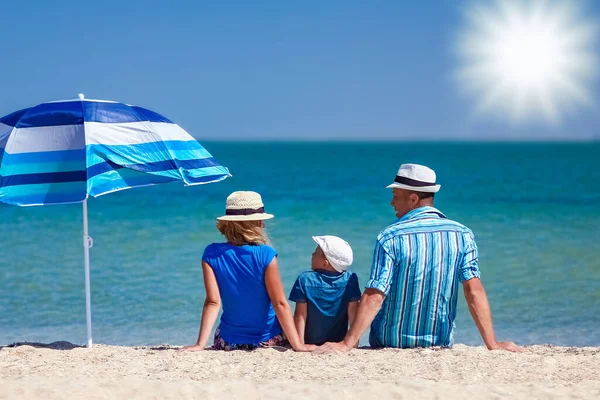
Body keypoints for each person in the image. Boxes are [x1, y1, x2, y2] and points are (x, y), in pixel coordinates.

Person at [315, 164, 521, 353]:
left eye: (395, 196)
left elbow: (375, 295)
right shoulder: (462, 235)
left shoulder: (390, 237)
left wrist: (347, 343)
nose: (391, 202)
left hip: (389, 342)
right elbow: (473, 290)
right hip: (438, 343)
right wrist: (492, 344)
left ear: (413, 199)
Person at [181, 191, 314, 352]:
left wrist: (200, 345)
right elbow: (279, 303)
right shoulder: (266, 255)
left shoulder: (211, 253)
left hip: (228, 342)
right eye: (261, 221)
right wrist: (298, 345)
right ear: (256, 223)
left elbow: (213, 302)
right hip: (268, 340)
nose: (263, 225)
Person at [289, 235, 361, 346]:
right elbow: (353, 313)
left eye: (316, 252)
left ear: (325, 263)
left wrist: (300, 344)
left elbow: (300, 314)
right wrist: (354, 344)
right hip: (338, 341)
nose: (312, 254)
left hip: (309, 341)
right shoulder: (350, 279)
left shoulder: (305, 279)